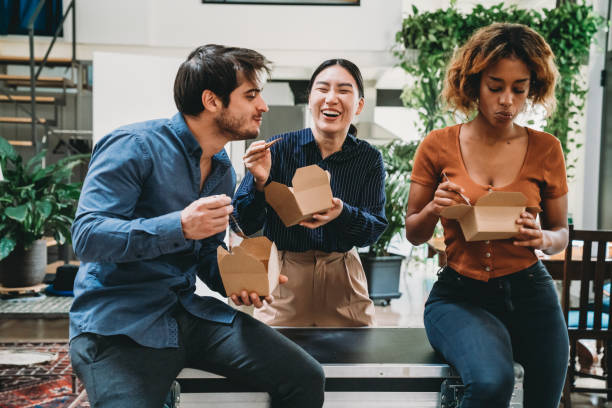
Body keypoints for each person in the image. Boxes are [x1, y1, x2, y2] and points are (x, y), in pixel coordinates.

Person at [69, 44, 325, 408]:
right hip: (117, 326)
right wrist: (180, 226)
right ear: (211, 101)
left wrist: (240, 282)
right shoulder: (133, 145)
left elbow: (206, 254)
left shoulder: (221, 167)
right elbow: (87, 236)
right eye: (251, 95)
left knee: (305, 377)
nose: (263, 106)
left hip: (184, 313)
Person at [405, 23, 569, 407]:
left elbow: (561, 231)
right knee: (492, 382)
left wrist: (543, 238)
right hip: (460, 296)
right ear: (474, 83)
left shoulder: (547, 149)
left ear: (533, 88)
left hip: (532, 293)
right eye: (495, 87)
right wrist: (433, 207)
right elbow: (413, 231)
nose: (507, 101)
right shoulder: (437, 145)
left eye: (519, 88)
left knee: (545, 398)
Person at [232, 59, 387, 327]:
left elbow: (372, 230)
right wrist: (259, 182)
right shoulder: (278, 149)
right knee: (278, 363)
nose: (331, 98)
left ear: (359, 105)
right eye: (322, 89)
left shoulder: (369, 158)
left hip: (343, 277)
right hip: (284, 276)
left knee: (355, 365)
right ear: (311, 97)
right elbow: (244, 223)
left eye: (343, 90)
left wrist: (342, 213)